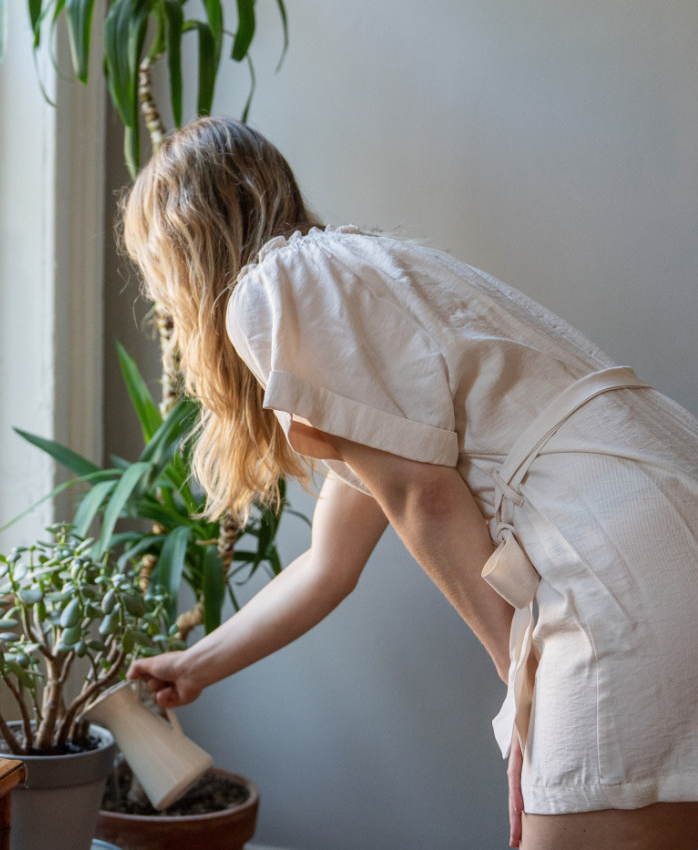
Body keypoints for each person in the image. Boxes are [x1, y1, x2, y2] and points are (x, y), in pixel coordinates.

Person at [122, 117, 698, 848]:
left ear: (182, 249)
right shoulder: (352, 295)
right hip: (663, 518)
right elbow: (328, 567)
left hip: (615, 561)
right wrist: (194, 665)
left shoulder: (275, 286)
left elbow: (425, 501)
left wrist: (517, 698)